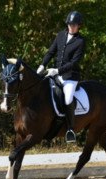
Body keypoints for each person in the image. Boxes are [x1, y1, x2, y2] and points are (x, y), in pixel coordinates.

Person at [37, 11, 85, 143]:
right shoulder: (60, 35)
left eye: (75, 25)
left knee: (68, 99)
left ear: (79, 26)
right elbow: (51, 52)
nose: (72, 27)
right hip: (55, 73)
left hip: (70, 77)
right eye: (70, 24)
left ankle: (70, 129)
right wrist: (42, 65)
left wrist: (56, 70)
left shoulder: (80, 41)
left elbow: (73, 63)